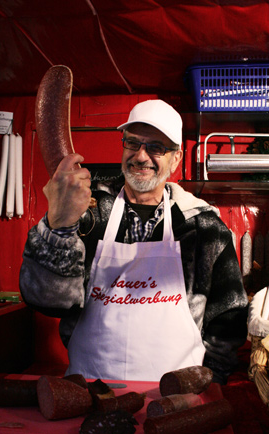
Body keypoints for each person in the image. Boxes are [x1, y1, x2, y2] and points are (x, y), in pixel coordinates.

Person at [20, 99, 248, 383]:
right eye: (133, 143)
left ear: (175, 159)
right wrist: (59, 226)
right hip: (91, 391)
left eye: (155, 147)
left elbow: (229, 319)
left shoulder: (204, 228)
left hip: (177, 402)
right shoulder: (88, 214)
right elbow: (46, 300)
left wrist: (208, 383)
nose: (141, 156)